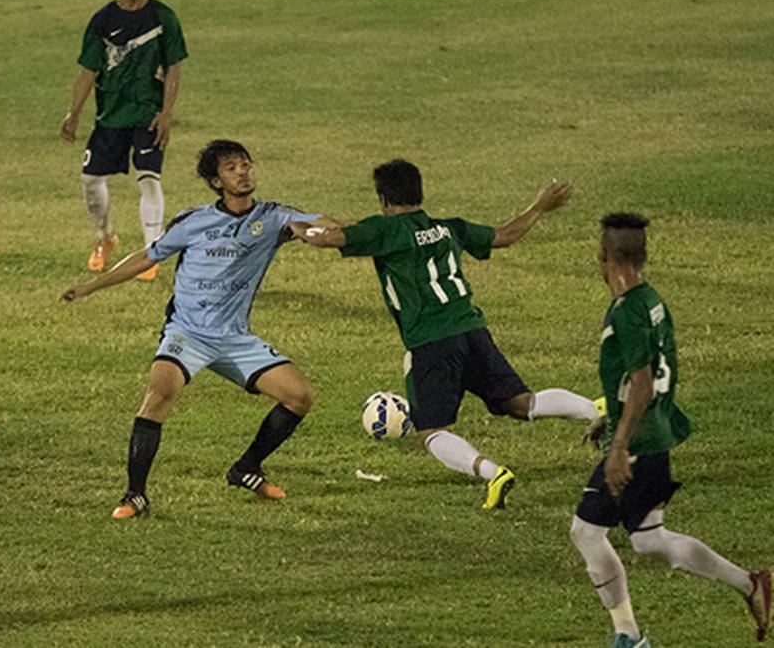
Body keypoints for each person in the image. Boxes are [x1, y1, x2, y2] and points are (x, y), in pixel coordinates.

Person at [291, 159, 600, 510]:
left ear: (383, 199)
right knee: (521, 403)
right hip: (472, 332)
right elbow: (505, 236)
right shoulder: (449, 228)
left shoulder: (384, 230)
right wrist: (540, 206)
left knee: (431, 431)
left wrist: (292, 225)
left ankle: (493, 473)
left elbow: (326, 238)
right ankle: (595, 411)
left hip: (431, 342)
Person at [62, 139, 339, 519]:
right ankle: (134, 495)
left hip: (235, 338)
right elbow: (146, 257)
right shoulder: (192, 222)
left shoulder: (274, 217)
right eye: (231, 168)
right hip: (187, 333)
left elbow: (323, 224)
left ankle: (246, 468)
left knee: (299, 396)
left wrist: (329, 231)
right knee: (160, 393)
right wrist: (91, 286)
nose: (242, 172)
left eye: (245, 164)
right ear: (215, 181)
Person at [569, 213, 769, 648]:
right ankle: (751, 584)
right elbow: (652, 376)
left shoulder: (626, 311)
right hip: (653, 432)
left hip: (638, 444)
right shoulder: (652, 301)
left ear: (604, 257)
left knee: (586, 532)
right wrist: (613, 416)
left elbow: (642, 382)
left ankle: (628, 636)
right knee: (648, 539)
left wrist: (619, 445)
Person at [60, 0, 188, 281]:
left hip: (148, 113)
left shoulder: (163, 17)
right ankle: (105, 237)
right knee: (90, 180)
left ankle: (151, 253)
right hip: (112, 115)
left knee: (149, 178)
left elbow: (174, 67)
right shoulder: (102, 21)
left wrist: (167, 112)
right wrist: (74, 113)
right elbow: (88, 71)